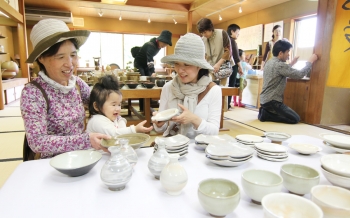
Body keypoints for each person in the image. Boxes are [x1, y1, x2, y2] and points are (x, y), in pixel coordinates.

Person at [21, 19, 110, 160]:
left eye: (73, 55)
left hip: (82, 157)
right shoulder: (33, 92)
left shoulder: (77, 84)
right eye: (61, 57)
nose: (70, 64)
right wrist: (85, 140)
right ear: (41, 58)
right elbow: (37, 142)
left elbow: (98, 105)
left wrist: (114, 109)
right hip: (50, 164)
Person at [152, 33, 222, 139]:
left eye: (186, 64)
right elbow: (161, 129)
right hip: (172, 148)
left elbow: (214, 131)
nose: (180, 70)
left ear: (199, 65)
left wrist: (193, 119)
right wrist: (158, 123)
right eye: (177, 63)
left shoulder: (213, 90)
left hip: (199, 150)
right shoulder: (169, 87)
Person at [258, 39, 318, 124]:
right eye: (287, 52)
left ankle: (266, 112)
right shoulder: (280, 65)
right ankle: (266, 115)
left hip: (265, 100)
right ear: (281, 53)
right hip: (273, 102)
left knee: (290, 116)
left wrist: (291, 64)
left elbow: (281, 71)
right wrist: (310, 61)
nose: (288, 55)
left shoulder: (269, 62)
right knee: (295, 118)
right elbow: (299, 74)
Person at [86, 75, 153, 136]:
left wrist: (121, 121)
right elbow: (115, 134)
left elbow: (121, 122)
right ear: (96, 106)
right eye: (113, 105)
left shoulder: (110, 116)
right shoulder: (97, 120)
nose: (118, 108)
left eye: (119, 104)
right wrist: (134, 129)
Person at [133, 30, 172, 112]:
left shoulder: (158, 45)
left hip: (145, 64)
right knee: (143, 82)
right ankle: (143, 107)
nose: (164, 46)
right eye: (164, 44)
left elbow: (150, 60)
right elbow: (150, 59)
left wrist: (151, 72)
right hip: (139, 64)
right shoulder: (151, 45)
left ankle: (148, 103)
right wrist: (153, 72)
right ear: (160, 40)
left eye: (166, 45)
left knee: (149, 82)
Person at [197, 18, 231, 111]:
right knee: (210, 88)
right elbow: (203, 55)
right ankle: (212, 110)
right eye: (202, 33)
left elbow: (228, 51)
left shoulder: (222, 33)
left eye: (205, 32)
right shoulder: (203, 39)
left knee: (223, 89)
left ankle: (223, 112)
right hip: (210, 67)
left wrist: (218, 64)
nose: (204, 34)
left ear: (210, 28)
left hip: (222, 65)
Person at [227, 23, 243, 109]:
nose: (238, 35)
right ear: (232, 31)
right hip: (232, 66)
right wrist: (240, 67)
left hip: (226, 66)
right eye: (237, 32)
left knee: (226, 85)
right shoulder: (232, 41)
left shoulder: (225, 40)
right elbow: (236, 57)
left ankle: (226, 103)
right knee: (231, 85)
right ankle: (228, 104)